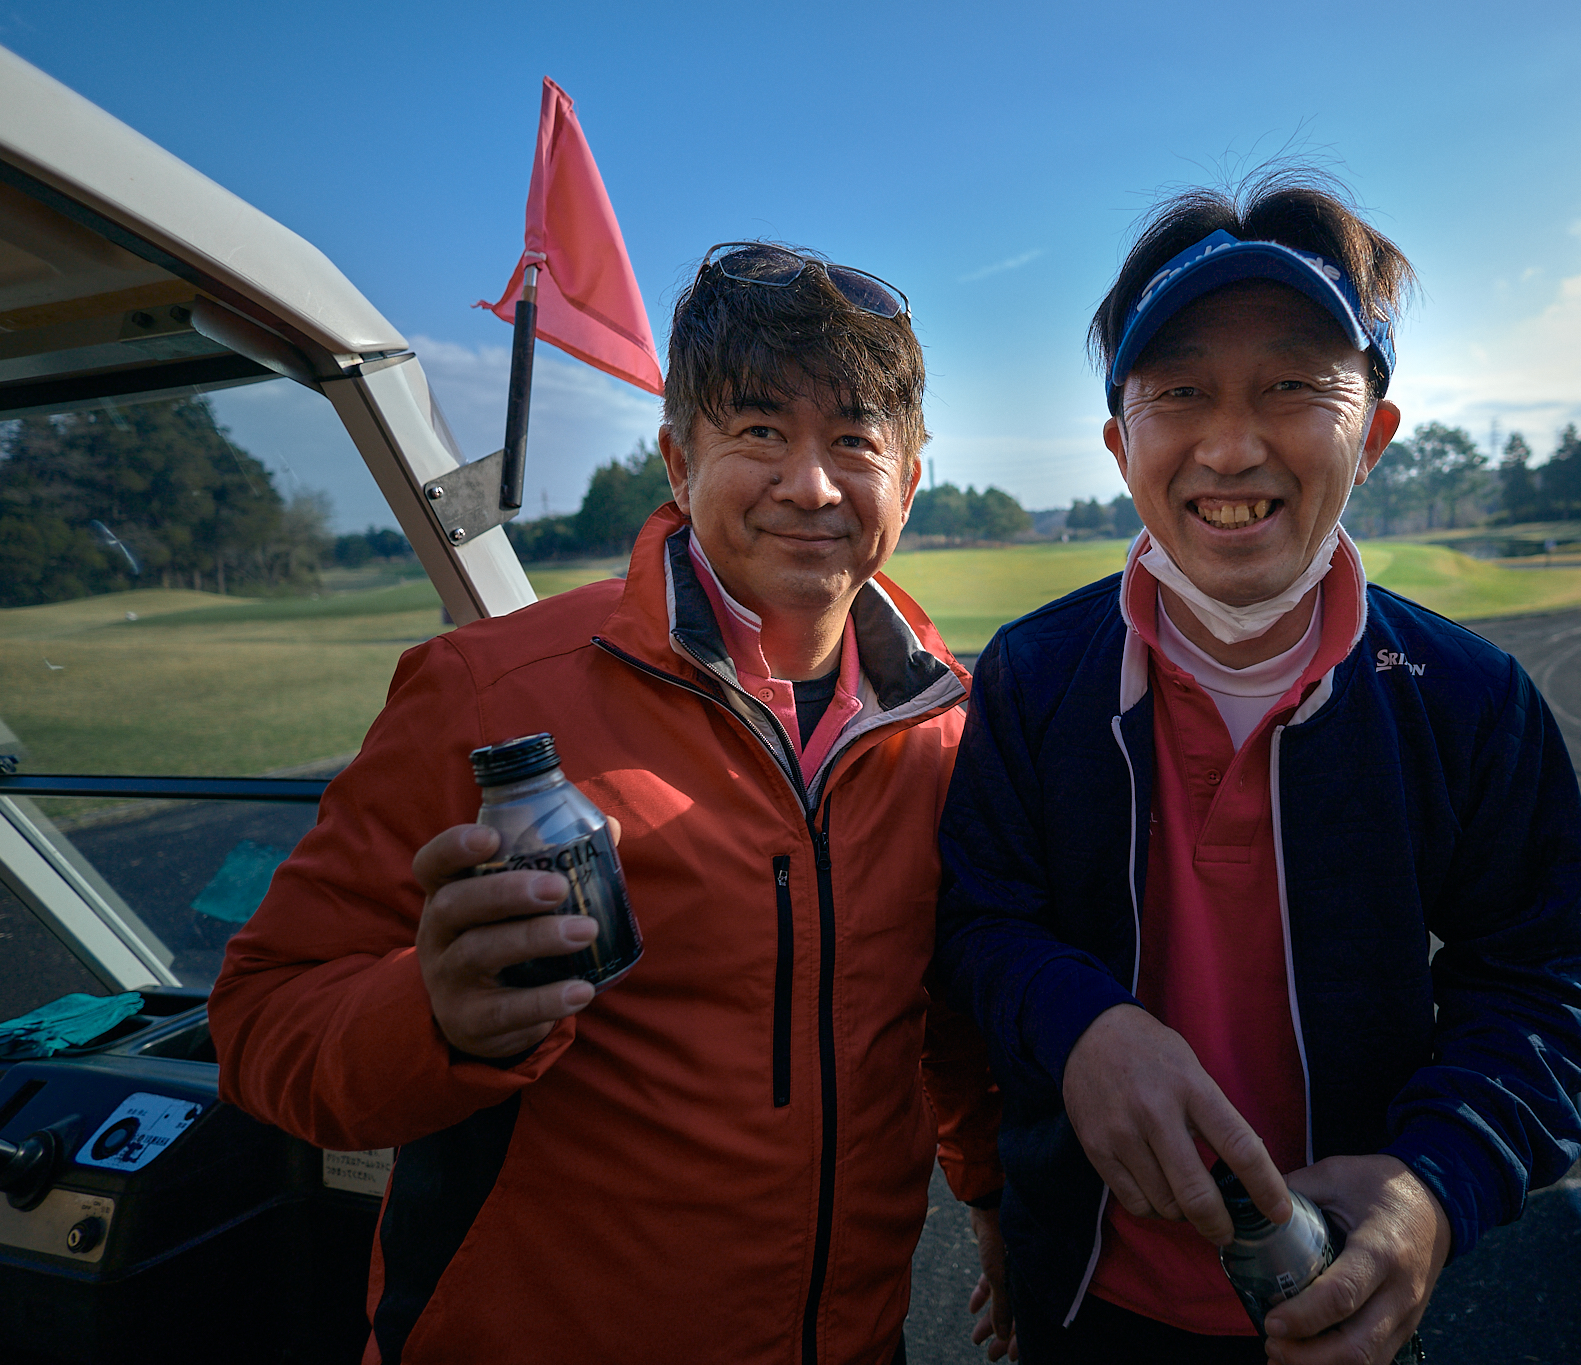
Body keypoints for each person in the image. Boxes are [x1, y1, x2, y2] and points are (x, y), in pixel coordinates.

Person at [209, 241, 1007, 1365]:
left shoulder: (947, 728)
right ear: (679, 461)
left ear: (909, 481)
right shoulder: (485, 694)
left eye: (854, 441)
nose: (811, 484)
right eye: (760, 431)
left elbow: (946, 1016)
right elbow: (261, 1019)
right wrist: (429, 1016)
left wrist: (995, 1196)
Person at [932, 170, 1581, 1365]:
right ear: (1119, 443)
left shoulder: (1469, 700)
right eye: (1179, 392)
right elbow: (981, 923)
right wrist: (1080, 1025)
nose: (1231, 445)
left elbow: (1539, 988)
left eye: (1294, 386)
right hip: (1084, 1291)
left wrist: (1433, 1187)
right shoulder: (1031, 677)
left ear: (1374, 434)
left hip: (1343, 1297)